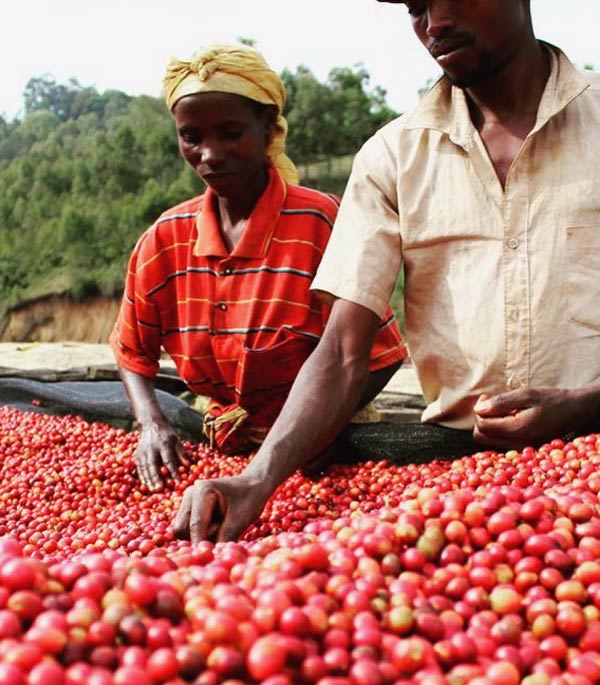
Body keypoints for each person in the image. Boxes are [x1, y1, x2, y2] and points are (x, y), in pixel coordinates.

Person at [172, 0, 600, 543]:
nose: (435, 24)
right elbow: (343, 351)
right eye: (417, 8)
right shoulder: (392, 157)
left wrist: (584, 404)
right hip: (465, 473)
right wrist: (256, 479)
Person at [110, 43, 406, 490]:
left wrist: (317, 431)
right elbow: (133, 351)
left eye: (230, 132)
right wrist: (152, 424)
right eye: (192, 136)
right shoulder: (164, 240)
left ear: (268, 127)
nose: (209, 153)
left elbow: (379, 355)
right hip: (223, 444)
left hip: (325, 447)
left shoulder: (321, 224)